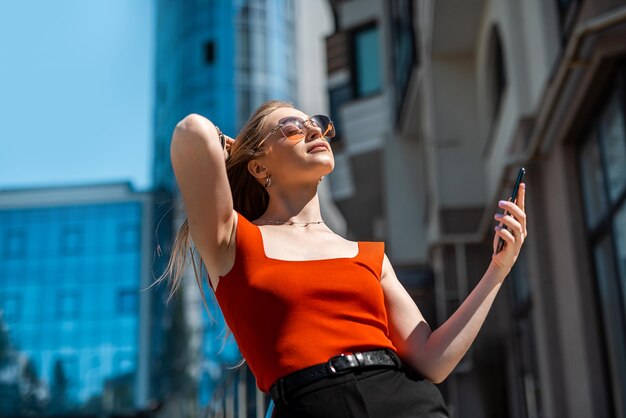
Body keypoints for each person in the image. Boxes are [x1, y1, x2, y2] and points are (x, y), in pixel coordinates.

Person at [162, 100, 528, 417]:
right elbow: (191, 130)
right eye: (291, 127)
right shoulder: (232, 240)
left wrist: (498, 270)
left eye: (317, 124)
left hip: (406, 403)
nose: (313, 131)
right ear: (259, 167)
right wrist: (239, 147)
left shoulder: (369, 257)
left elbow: (432, 360)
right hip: (310, 405)